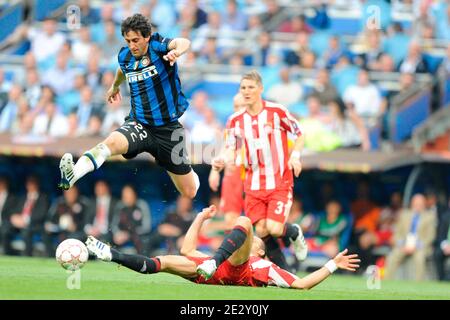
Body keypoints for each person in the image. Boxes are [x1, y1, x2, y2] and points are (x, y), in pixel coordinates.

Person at [57, 13, 199, 200]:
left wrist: (177, 52)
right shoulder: (125, 56)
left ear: (146, 37)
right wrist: (114, 86)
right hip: (139, 124)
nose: (132, 45)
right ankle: (73, 173)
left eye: (136, 40)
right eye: (128, 41)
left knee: (189, 192)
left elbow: (183, 42)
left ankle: (189, 173)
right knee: (111, 143)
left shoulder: (157, 46)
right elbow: (121, 70)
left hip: (168, 131)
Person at [86, 205, 360, 289]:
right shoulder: (246, 255)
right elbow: (187, 248)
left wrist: (332, 264)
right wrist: (199, 218)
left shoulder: (263, 264)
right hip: (213, 272)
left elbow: (302, 284)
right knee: (164, 261)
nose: (253, 238)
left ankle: (213, 261)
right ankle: (111, 254)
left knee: (243, 219)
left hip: (231, 271)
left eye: (257, 241)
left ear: (261, 250)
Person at [211, 70, 308, 270]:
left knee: (273, 228)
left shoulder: (277, 112)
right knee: (263, 231)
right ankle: (286, 273)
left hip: (279, 180)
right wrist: (221, 161)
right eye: (243, 88)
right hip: (253, 184)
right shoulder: (235, 120)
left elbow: (299, 134)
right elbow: (231, 149)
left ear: (260, 89)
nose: (246, 91)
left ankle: (295, 232)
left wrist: (295, 157)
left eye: (251, 87)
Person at [208, 93, 246, 230]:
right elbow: (225, 148)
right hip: (233, 176)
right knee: (230, 222)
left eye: (243, 105)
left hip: (252, 176)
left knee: (257, 223)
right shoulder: (232, 126)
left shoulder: (259, 125)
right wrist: (215, 171)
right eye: (236, 106)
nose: (239, 109)